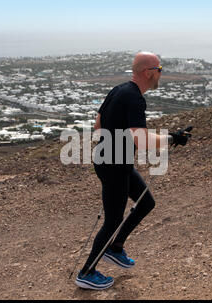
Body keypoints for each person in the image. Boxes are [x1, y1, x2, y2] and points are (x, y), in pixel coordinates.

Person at [75, 52, 191, 290]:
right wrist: (173, 137)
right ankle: (87, 272)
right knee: (113, 219)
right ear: (148, 72)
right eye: (159, 68)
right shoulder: (135, 98)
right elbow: (140, 139)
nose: (161, 73)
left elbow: (98, 124)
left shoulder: (119, 90)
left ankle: (115, 248)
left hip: (114, 161)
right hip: (114, 165)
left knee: (146, 202)